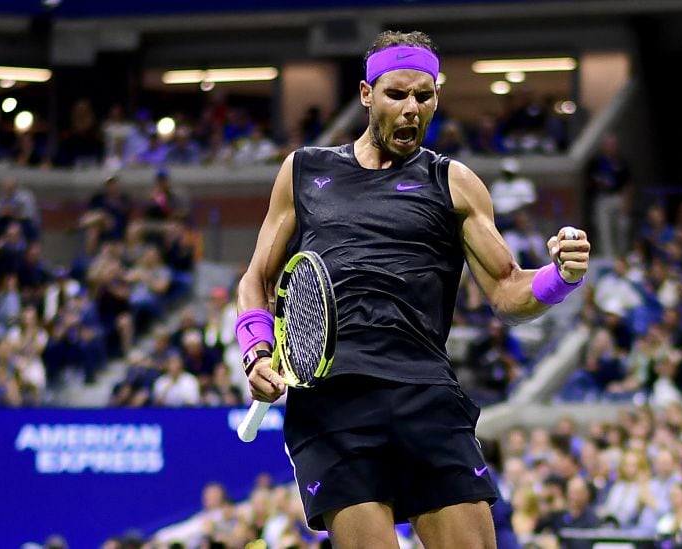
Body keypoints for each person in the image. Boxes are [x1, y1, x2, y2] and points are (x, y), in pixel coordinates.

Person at [236, 30, 591, 548]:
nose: (410, 109)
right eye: (396, 95)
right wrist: (255, 353)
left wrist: (560, 276)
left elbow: (509, 292)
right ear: (366, 95)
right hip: (334, 406)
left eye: (423, 96)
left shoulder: (455, 183)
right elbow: (258, 280)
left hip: (424, 397)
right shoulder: (305, 170)